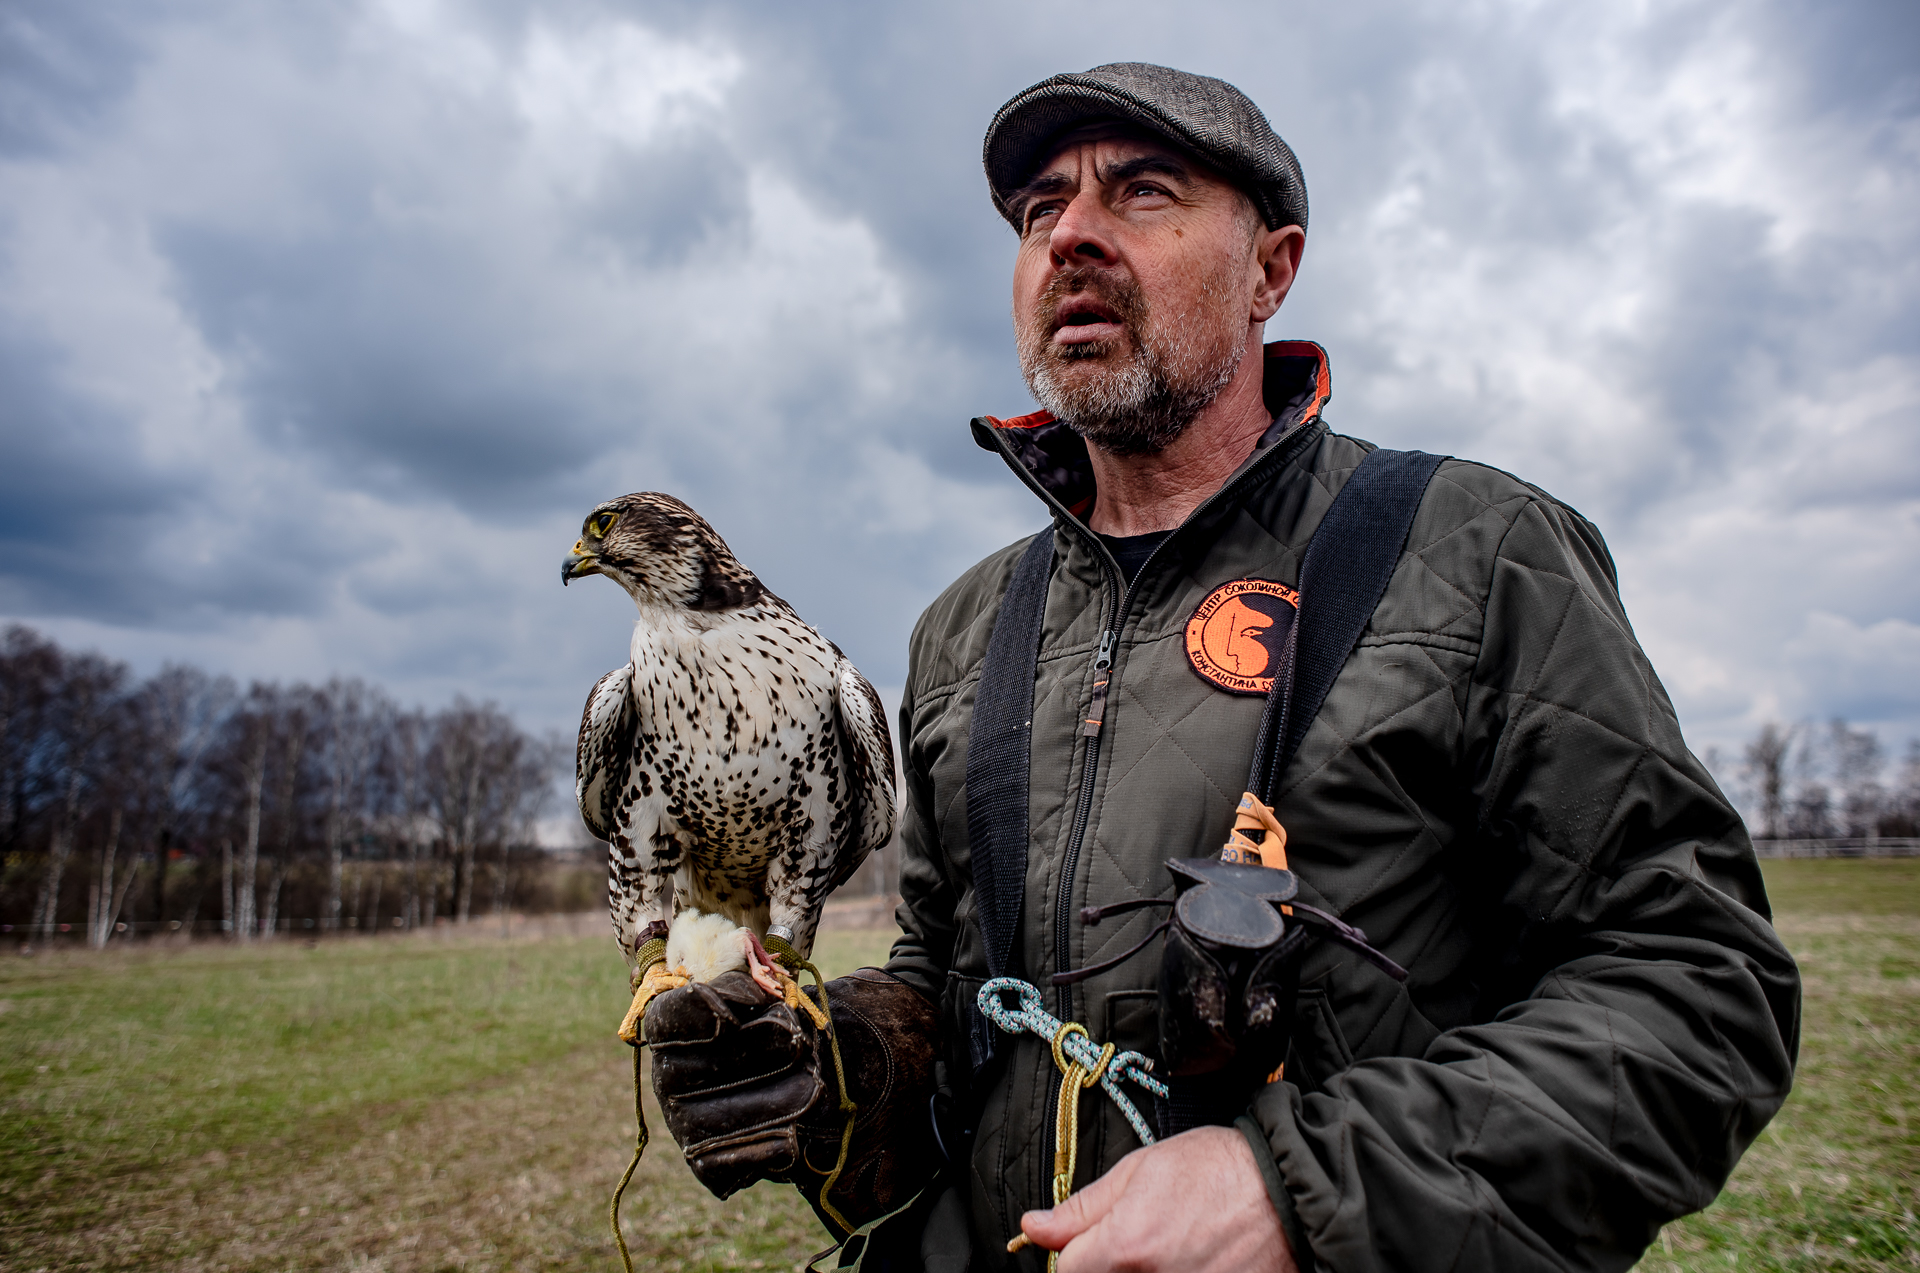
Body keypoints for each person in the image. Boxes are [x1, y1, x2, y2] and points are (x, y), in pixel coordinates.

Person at [645, 63, 1801, 1273]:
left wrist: (1297, 1194)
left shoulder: (1477, 552)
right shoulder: (965, 628)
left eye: (1142, 193)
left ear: (1271, 268)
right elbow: (947, 979)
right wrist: (836, 1065)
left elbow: (1698, 991)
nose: (1071, 236)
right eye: (1040, 209)